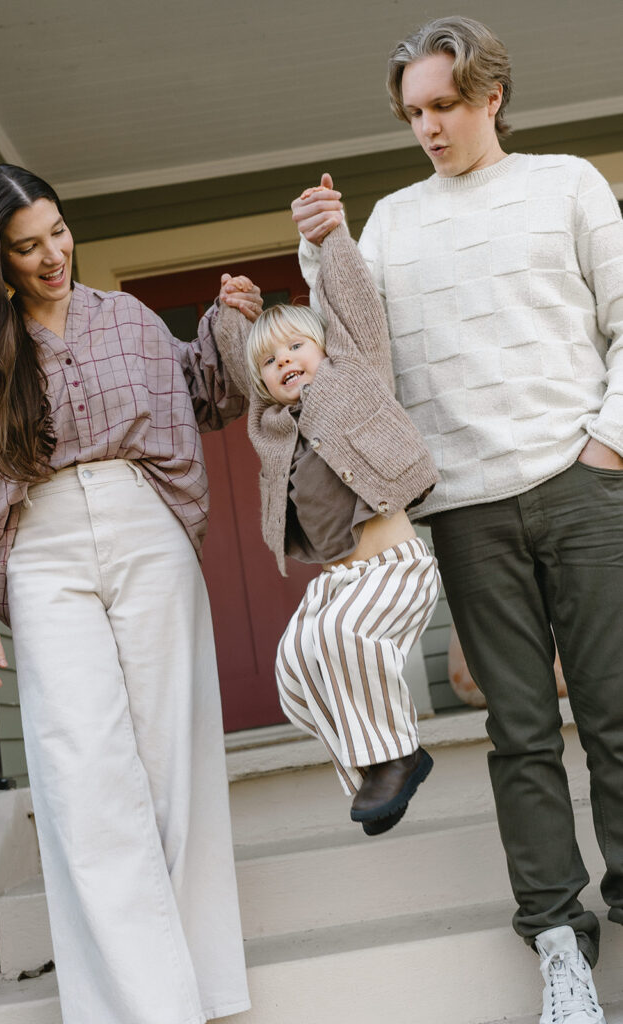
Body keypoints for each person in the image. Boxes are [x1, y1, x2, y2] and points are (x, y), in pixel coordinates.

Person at [291, 15, 623, 1024]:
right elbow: (352, 341)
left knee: (614, 716)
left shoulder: (565, 184)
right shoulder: (390, 219)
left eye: (441, 105)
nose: (427, 126)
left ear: (488, 98)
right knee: (519, 731)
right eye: (412, 114)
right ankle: (558, 943)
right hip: (467, 511)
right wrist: (319, 253)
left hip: (579, 488)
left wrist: (606, 446)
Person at [0, 164, 263, 1024]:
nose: (53, 255)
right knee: (84, 771)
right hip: (39, 549)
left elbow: (201, 392)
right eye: (26, 246)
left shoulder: (124, 317)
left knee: (172, 759)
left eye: (57, 232)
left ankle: (205, 985)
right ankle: (142, 1006)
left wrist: (229, 325)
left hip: (143, 522)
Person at [215, 221, 440, 836]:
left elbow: (356, 310)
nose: (283, 361)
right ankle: (373, 774)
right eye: (270, 360)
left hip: (395, 568)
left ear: (324, 351)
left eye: (296, 348)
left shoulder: (353, 375)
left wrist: (333, 237)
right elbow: (241, 365)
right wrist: (235, 314)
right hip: (339, 583)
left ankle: (398, 756)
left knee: (341, 637)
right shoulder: (270, 424)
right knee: (294, 668)